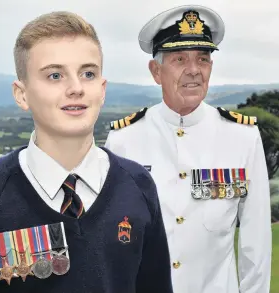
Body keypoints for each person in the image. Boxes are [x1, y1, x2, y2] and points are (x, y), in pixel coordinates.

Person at [0, 11, 173, 293]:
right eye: (55, 75)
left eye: (88, 74)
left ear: (102, 89)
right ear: (22, 94)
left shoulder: (137, 184)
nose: (76, 88)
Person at [105, 5, 272, 293]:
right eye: (180, 59)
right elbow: (110, 241)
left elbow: (255, 246)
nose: (194, 70)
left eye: (203, 60)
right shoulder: (123, 141)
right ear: (156, 71)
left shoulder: (243, 137)